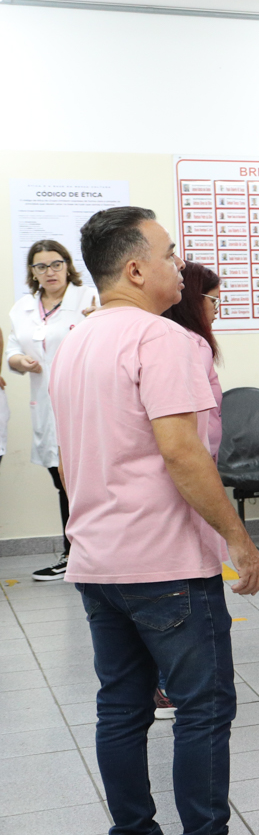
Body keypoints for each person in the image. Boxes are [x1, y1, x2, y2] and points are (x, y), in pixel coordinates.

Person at [50, 206, 259, 835]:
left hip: (97, 558)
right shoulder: (163, 341)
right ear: (134, 269)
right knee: (204, 707)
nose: (178, 265)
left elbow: (73, 458)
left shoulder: (78, 340)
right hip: (163, 561)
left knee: (121, 710)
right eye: (168, 252)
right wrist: (238, 540)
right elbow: (183, 452)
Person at [152, 261, 225, 721]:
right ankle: (170, 687)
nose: (217, 309)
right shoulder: (188, 345)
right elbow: (191, 434)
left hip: (186, 478)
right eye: (214, 300)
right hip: (189, 479)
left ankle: (163, 684)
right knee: (183, 594)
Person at [7, 239, 101, 580]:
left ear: (68, 265)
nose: (49, 272)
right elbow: (13, 349)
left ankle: (83, 552)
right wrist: (19, 361)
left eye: (56, 264)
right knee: (62, 480)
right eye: (41, 266)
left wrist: (98, 319)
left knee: (86, 480)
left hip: (86, 403)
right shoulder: (23, 308)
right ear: (32, 272)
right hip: (46, 406)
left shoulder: (90, 299)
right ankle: (74, 552)